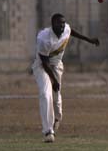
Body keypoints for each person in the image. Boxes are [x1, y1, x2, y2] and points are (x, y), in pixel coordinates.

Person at [32, 13, 100, 143]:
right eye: (59, 23)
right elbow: (45, 62)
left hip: (56, 66)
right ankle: (48, 132)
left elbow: (71, 31)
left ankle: (57, 119)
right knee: (46, 94)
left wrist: (89, 39)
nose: (62, 26)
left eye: (63, 23)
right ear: (52, 24)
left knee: (56, 96)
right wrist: (53, 80)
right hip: (42, 66)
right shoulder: (44, 39)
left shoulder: (66, 28)